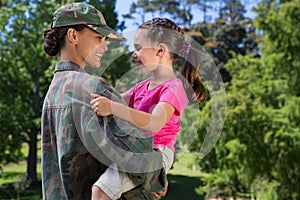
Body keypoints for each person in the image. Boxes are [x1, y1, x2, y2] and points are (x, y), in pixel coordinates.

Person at [42, 3, 167, 200]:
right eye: (98, 38)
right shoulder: (92, 87)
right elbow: (133, 149)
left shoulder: (52, 94)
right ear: (73, 36)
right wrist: (157, 174)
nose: (105, 45)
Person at [91, 18, 207, 200]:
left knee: (100, 191)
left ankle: (153, 177)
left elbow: (154, 123)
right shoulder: (142, 86)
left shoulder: (174, 88)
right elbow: (117, 99)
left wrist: (112, 107)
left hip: (156, 152)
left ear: (161, 50)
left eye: (139, 48)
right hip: (138, 149)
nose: (133, 54)